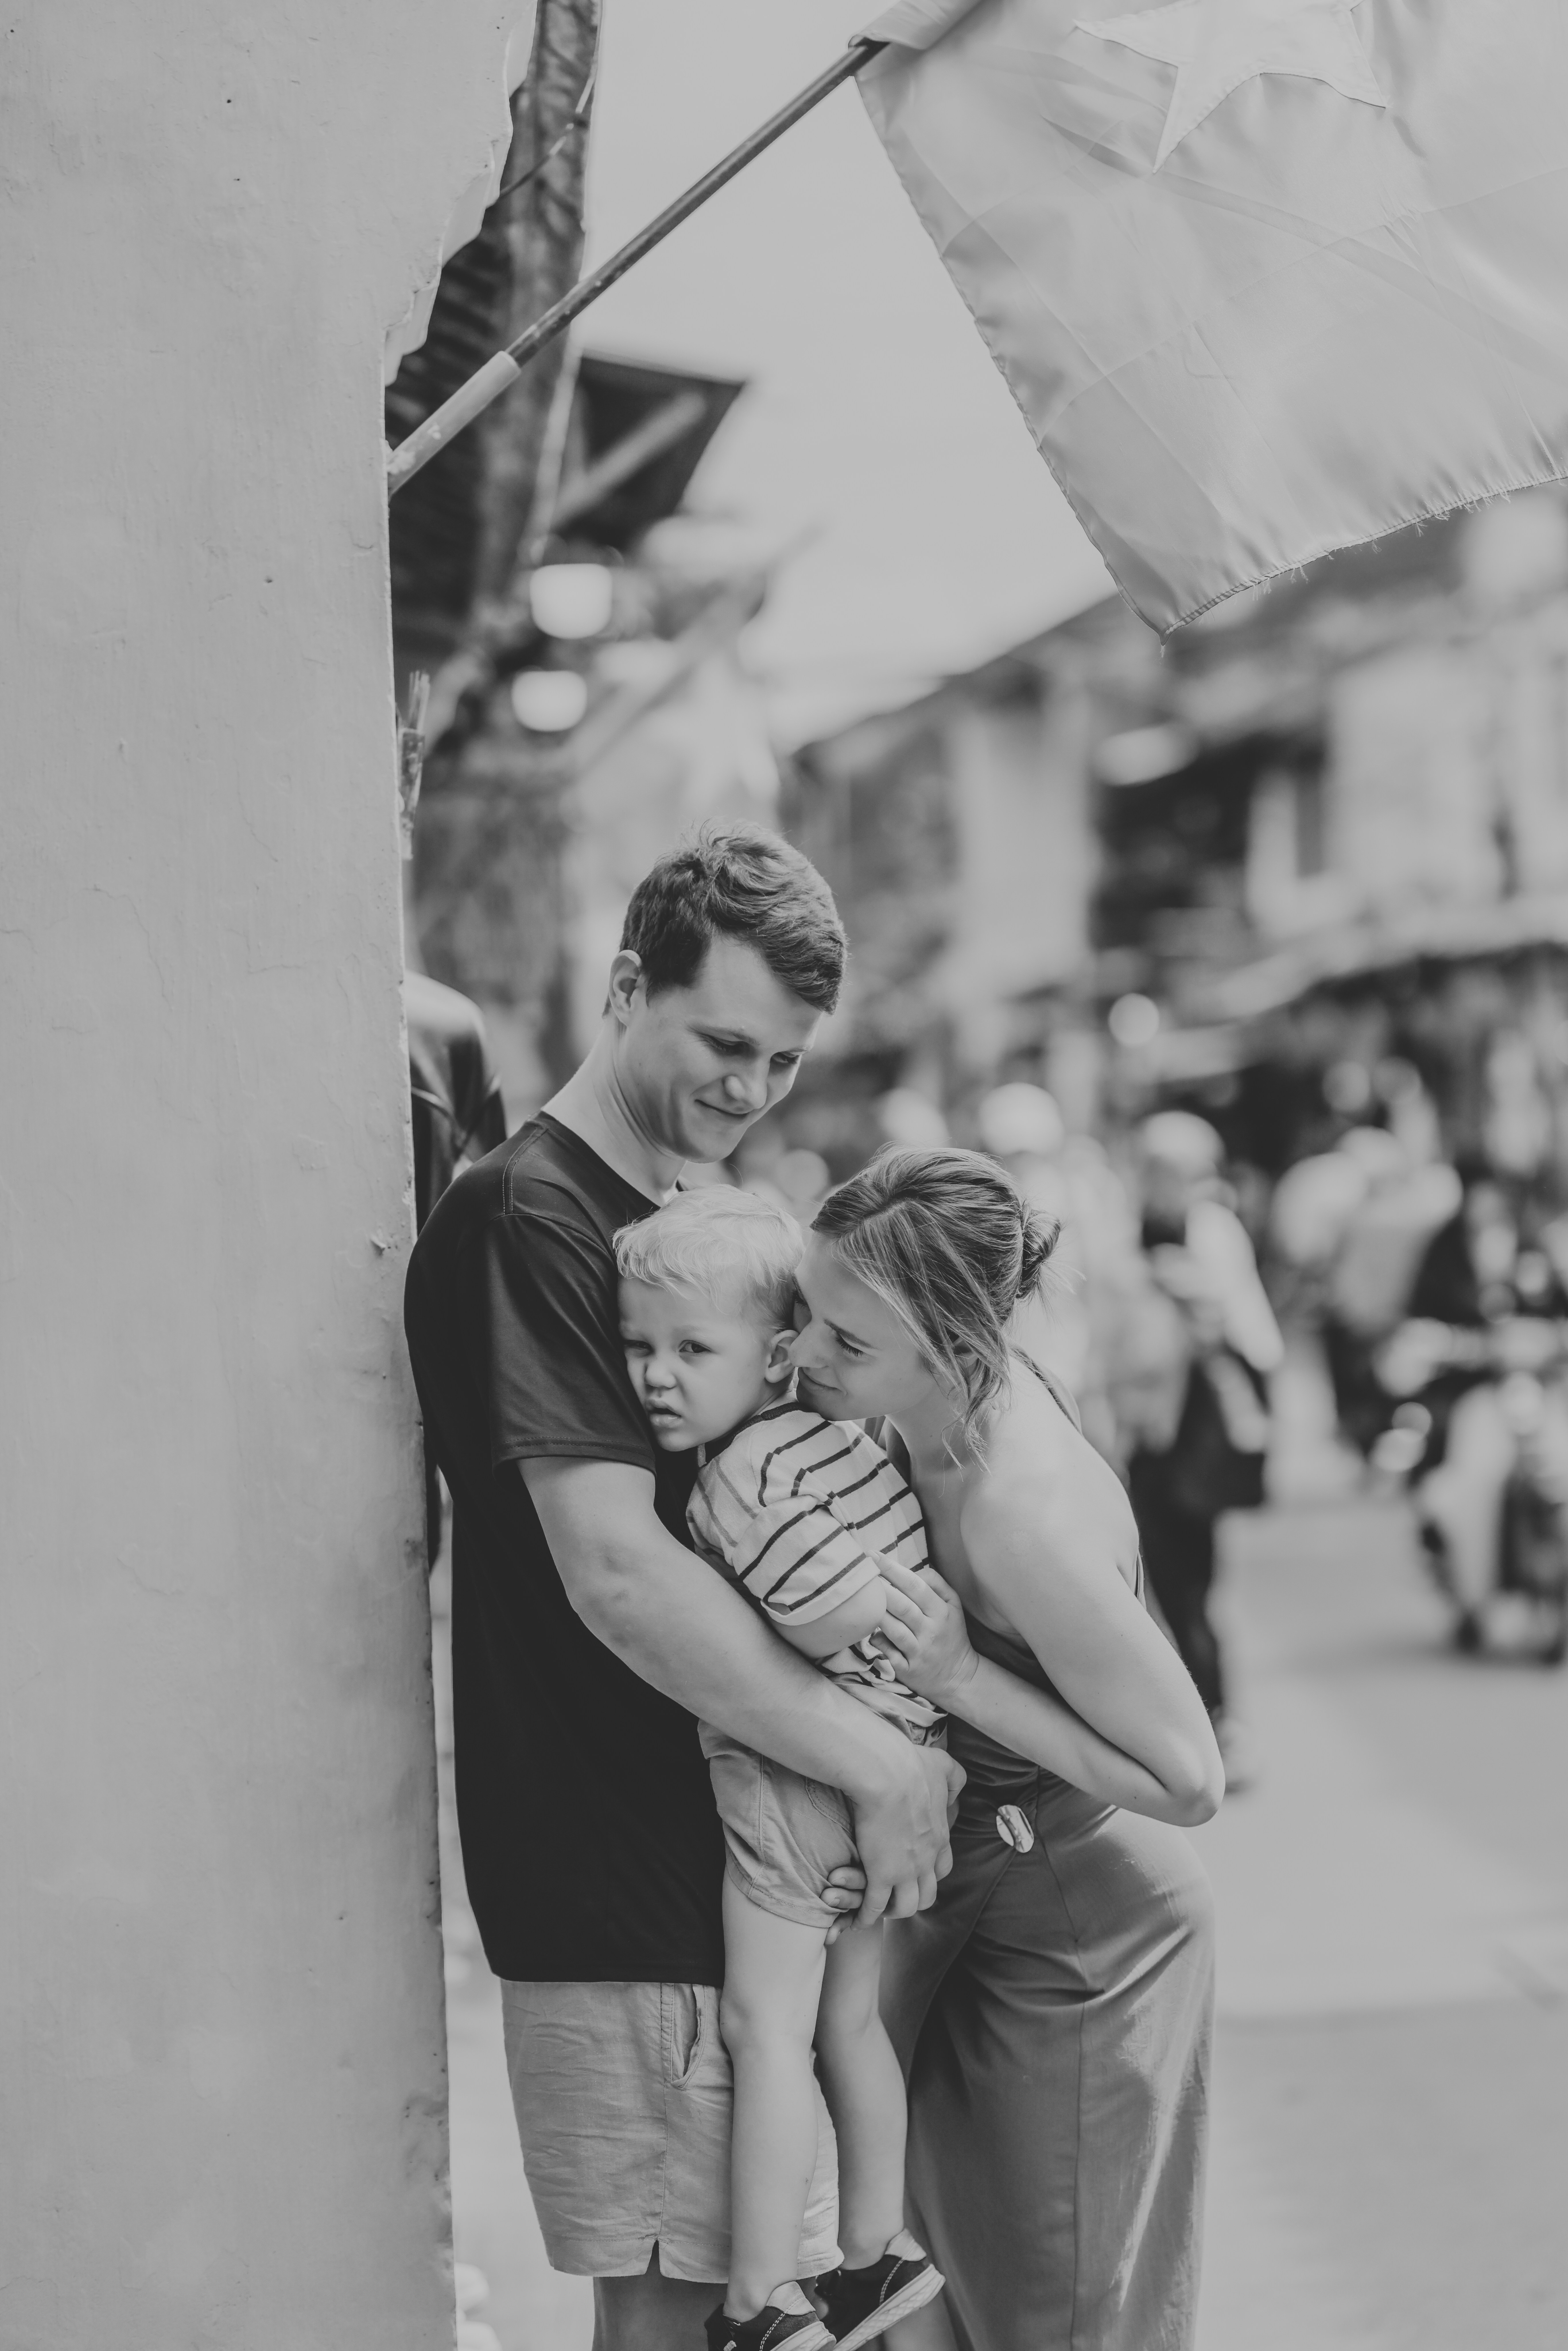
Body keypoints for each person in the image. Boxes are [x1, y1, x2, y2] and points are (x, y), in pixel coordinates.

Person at [402, 826, 962, 2351]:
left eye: (782, 1064)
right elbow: (618, 1573)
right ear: (628, 987)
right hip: (621, 1873)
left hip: (715, 1864)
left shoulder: (678, 1231)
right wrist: (880, 1763)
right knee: (669, 2326)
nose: (749, 1087)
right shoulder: (534, 1219)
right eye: (724, 1042)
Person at [791, 1147, 1224, 2351]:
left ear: (950, 1341)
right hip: (978, 1902)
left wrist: (960, 1674)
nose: (805, 1358)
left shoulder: (1014, 1509)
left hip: (1083, 1936)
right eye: (804, 1316)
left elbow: (1191, 1776)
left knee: (1061, 2308)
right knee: (947, 2289)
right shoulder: (934, 1401)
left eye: (846, 1343)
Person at [615, 1188, 946, 2351]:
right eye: (637, 1344)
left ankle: (759, 2295)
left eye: (691, 1348)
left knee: (764, 2028)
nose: (656, 1373)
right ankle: (873, 2250)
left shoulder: (739, 1475)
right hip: (901, 1751)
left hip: (803, 1775)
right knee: (848, 2021)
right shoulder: (838, 1437)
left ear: (775, 1356)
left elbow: (826, 1614)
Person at [1126, 1113, 1281, 1784]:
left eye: (1182, 1170)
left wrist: (1189, 1291)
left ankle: (1218, 1722)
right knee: (1160, 1582)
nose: (1170, 1184)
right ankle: (1198, 1722)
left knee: (1192, 1584)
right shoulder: (1120, 1229)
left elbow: (1246, 1330)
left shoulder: (1211, 1233)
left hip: (1195, 1432)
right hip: (1142, 1428)